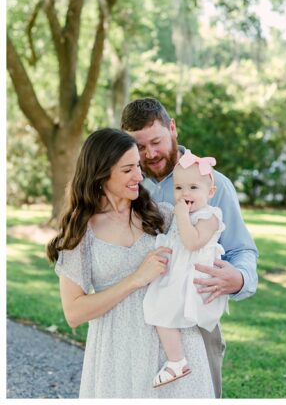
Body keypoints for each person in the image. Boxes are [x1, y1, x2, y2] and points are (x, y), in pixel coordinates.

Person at [47, 128, 214, 398]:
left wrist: (227, 274)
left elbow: (207, 237)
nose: (139, 175)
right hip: (118, 353)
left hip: (175, 349)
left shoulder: (163, 216)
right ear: (101, 173)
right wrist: (136, 279)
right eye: (128, 169)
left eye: (138, 165)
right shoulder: (81, 233)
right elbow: (73, 313)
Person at [121, 98, 259, 398]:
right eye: (139, 147)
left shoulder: (212, 184)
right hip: (136, 319)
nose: (150, 153)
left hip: (194, 315)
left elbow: (242, 249)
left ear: (173, 128)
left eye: (156, 141)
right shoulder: (125, 183)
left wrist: (240, 279)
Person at [143, 150, 230, 388]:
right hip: (176, 275)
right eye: (179, 188)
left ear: (210, 192)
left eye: (193, 188)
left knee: (159, 310)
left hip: (191, 280)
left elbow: (192, 242)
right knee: (156, 310)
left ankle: (176, 361)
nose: (185, 194)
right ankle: (176, 359)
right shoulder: (184, 214)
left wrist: (180, 215)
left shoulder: (210, 216)